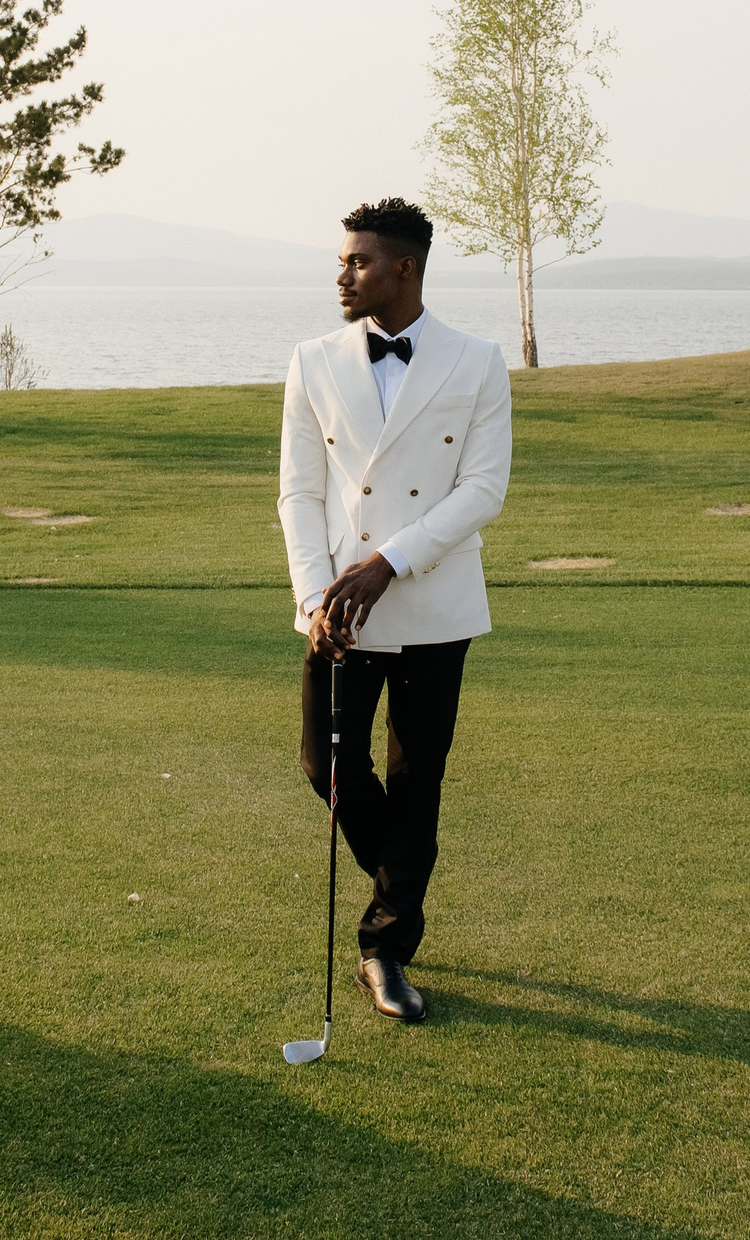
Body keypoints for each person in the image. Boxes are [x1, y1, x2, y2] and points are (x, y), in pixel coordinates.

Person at [278, 199, 512, 1023]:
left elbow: (483, 489)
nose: (342, 276)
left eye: (358, 262)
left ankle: (384, 948)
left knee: (418, 783)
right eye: (343, 262)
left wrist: (391, 562)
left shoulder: (478, 362)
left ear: (403, 269)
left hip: (433, 606)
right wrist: (317, 594)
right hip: (337, 609)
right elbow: (300, 493)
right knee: (327, 769)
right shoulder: (311, 361)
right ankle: (402, 893)